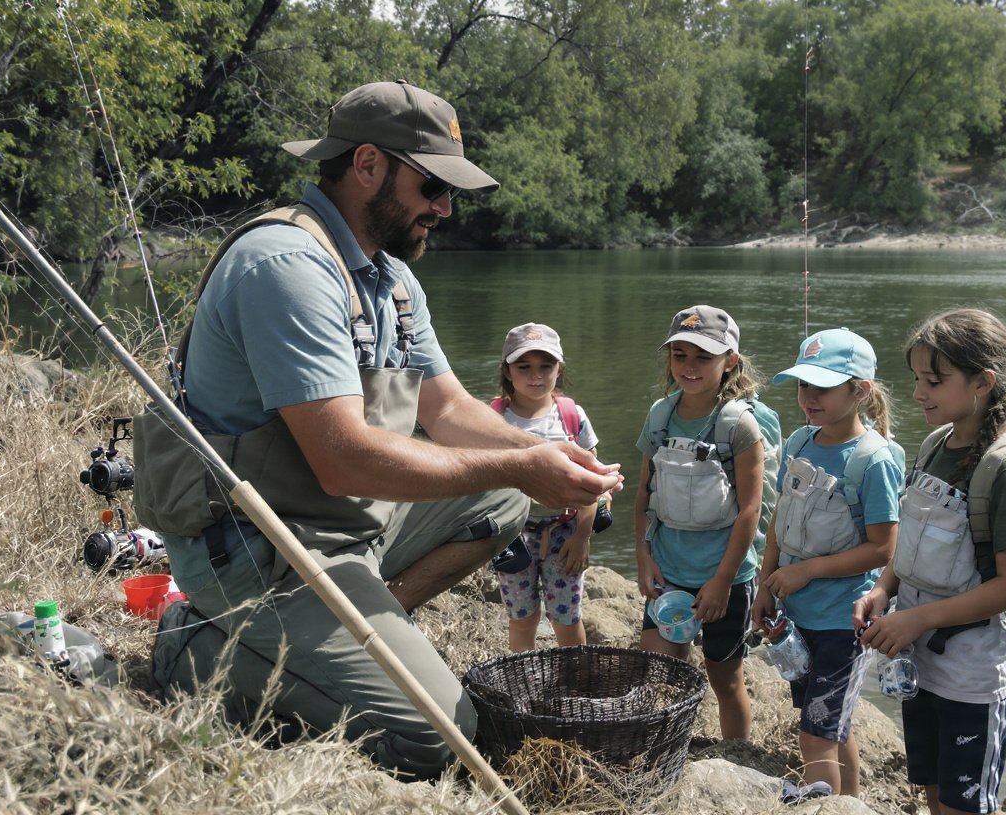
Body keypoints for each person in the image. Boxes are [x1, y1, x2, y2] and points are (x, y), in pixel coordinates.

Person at [134, 80, 621, 779]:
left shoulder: (391, 278)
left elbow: (450, 413)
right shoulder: (287, 268)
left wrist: (547, 454)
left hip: (341, 531)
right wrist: (519, 465)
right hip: (255, 555)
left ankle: (359, 633)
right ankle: (200, 644)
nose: (446, 208)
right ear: (367, 166)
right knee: (441, 740)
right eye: (432, 187)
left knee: (507, 499)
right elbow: (342, 459)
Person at [853, 308, 1006, 815]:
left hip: (971, 673)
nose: (918, 393)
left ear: (982, 382)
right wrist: (883, 590)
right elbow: (911, 538)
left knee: (966, 803)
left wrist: (918, 618)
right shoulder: (937, 442)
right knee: (933, 791)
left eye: (934, 381)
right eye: (917, 378)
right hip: (919, 658)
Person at [752, 328, 904, 802]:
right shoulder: (799, 441)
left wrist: (808, 571)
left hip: (843, 621)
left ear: (860, 391)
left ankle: (822, 806)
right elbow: (779, 517)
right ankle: (851, 804)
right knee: (831, 726)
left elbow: (884, 549)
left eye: (822, 388)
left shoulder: (873, 460)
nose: (808, 397)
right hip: (797, 616)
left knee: (814, 735)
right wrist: (766, 585)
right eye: (803, 385)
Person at [634, 305, 767, 740]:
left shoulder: (739, 425)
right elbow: (643, 494)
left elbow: (750, 509)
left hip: (724, 578)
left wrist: (723, 581)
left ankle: (737, 756)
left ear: (729, 361)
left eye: (703, 357)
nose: (689, 367)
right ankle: (671, 749)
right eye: (679, 355)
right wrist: (643, 557)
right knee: (658, 672)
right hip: (668, 572)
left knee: (725, 681)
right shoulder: (659, 415)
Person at [488, 323, 598, 651]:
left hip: (565, 531)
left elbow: (592, 479)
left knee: (566, 618)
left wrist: (582, 536)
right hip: (513, 533)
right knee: (522, 618)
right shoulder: (493, 418)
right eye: (524, 366)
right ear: (507, 371)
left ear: (559, 369)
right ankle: (525, 683)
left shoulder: (570, 415)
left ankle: (576, 681)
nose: (536, 375)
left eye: (545, 366)